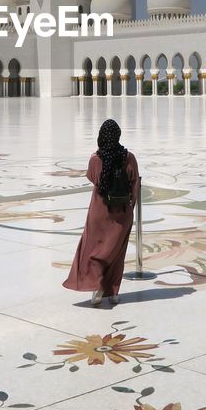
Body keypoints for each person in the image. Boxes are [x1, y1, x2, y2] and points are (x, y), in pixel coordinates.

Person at [63, 118, 140, 307]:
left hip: (99, 211)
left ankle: (96, 287)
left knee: (94, 251)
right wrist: (130, 206)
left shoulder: (95, 159)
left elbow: (92, 177)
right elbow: (135, 182)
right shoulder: (128, 157)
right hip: (122, 212)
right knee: (116, 253)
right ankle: (113, 293)